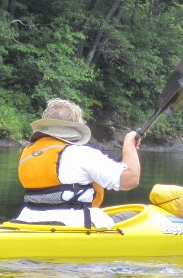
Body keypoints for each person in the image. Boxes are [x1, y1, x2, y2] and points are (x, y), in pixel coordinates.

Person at [15, 98, 141, 229]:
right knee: (134, 215)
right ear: (75, 128)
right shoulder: (81, 154)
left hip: (27, 221)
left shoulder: (28, 154)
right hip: (73, 225)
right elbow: (130, 179)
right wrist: (128, 143)